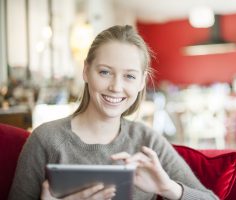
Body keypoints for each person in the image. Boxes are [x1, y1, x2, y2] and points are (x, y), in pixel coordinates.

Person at [9, 25, 218, 200]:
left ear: (141, 81)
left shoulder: (148, 143)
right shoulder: (46, 140)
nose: (116, 87)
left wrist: (168, 188)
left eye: (129, 76)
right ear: (86, 71)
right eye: (105, 72)